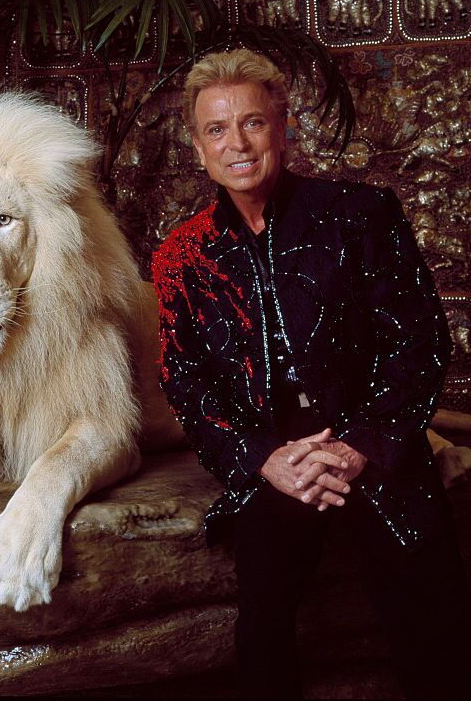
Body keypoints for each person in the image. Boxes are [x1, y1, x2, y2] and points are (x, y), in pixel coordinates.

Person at [152, 48, 469, 699]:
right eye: (217, 128)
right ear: (198, 143)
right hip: (278, 460)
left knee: (435, 622)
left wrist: (355, 448)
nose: (236, 142)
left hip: (373, 444)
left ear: (283, 125)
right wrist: (264, 458)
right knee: (263, 624)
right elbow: (185, 383)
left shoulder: (361, 214)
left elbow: (420, 344)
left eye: (253, 123)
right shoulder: (180, 256)